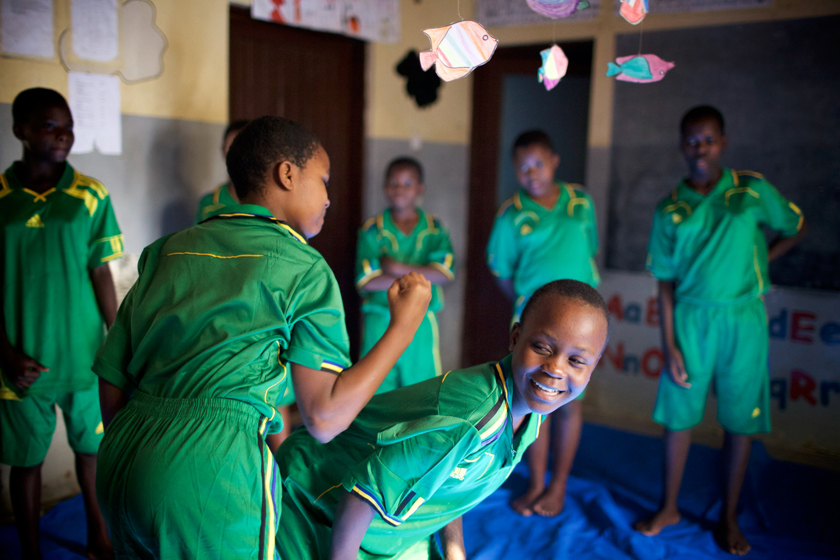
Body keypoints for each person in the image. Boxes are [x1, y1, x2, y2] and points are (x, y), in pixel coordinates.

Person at [93, 116, 431, 559]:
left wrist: (146, 449)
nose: (330, 197)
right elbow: (325, 419)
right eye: (323, 180)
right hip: (212, 471)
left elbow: (112, 376)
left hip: (122, 461)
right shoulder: (304, 267)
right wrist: (403, 326)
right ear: (287, 174)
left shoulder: (169, 250)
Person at [275, 279, 610, 560]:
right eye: (542, 347)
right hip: (313, 505)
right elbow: (362, 492)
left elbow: (451, 479)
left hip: (384, 528)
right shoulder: (470, 420)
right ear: (514, 338)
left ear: (593, 368)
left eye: (577, 361)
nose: (555, 369)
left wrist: (454, 549)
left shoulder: (532, 408)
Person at [635, 105, 806, 556]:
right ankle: (668, 506)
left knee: (738, 423)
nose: (700, 149)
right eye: (691, 140)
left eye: (708, 140)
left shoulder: (750, 189)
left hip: (742, 319)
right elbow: (665, 283)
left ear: (723, 143)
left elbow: (794, 225)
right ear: (681, 146)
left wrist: (762, 261)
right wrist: (668, 342)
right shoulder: (670, 207)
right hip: (691, 320)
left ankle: (728, 516)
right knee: (678, 418)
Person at [0, 88, 121, 560]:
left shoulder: (89, 194)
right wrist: (6, 355)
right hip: (20, 361)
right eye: (49, 125)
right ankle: (30, 551)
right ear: (20, 131)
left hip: (84, 357)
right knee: (26, 463)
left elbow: (100, 272)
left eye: (67, 124)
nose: (63, 133)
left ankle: (100, 537)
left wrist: (120, 339)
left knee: (92, 455)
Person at [486, 129, 599, 517]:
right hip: (537, 325)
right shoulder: (512, 214)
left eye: (537, 163)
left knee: (568, 405)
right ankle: (535, 484)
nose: (530, 173)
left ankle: (558, 486)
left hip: (581, 325)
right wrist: (531, 310)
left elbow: (590, 253)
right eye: (521, 167)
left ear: (554, 161)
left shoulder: (581, 201)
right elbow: (502, 272)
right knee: (535, 401)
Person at [355, 157, 455, 393]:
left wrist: (395, 268)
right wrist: (421, 275)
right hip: (380, 317)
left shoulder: (434, 228)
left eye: (407, 184)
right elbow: (367, 280)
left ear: (420, 188)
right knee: (375, 387)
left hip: (422, 319)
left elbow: (444, 273)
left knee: (420, 390)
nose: (399, 190)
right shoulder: (373, 229)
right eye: (393, 183)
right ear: (385, 187)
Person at [194, 119, 249, 223]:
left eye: (243, 148)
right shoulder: (208, 204)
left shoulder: (267, 202)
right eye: (231, 148)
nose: (236, 156)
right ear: (223, 151)